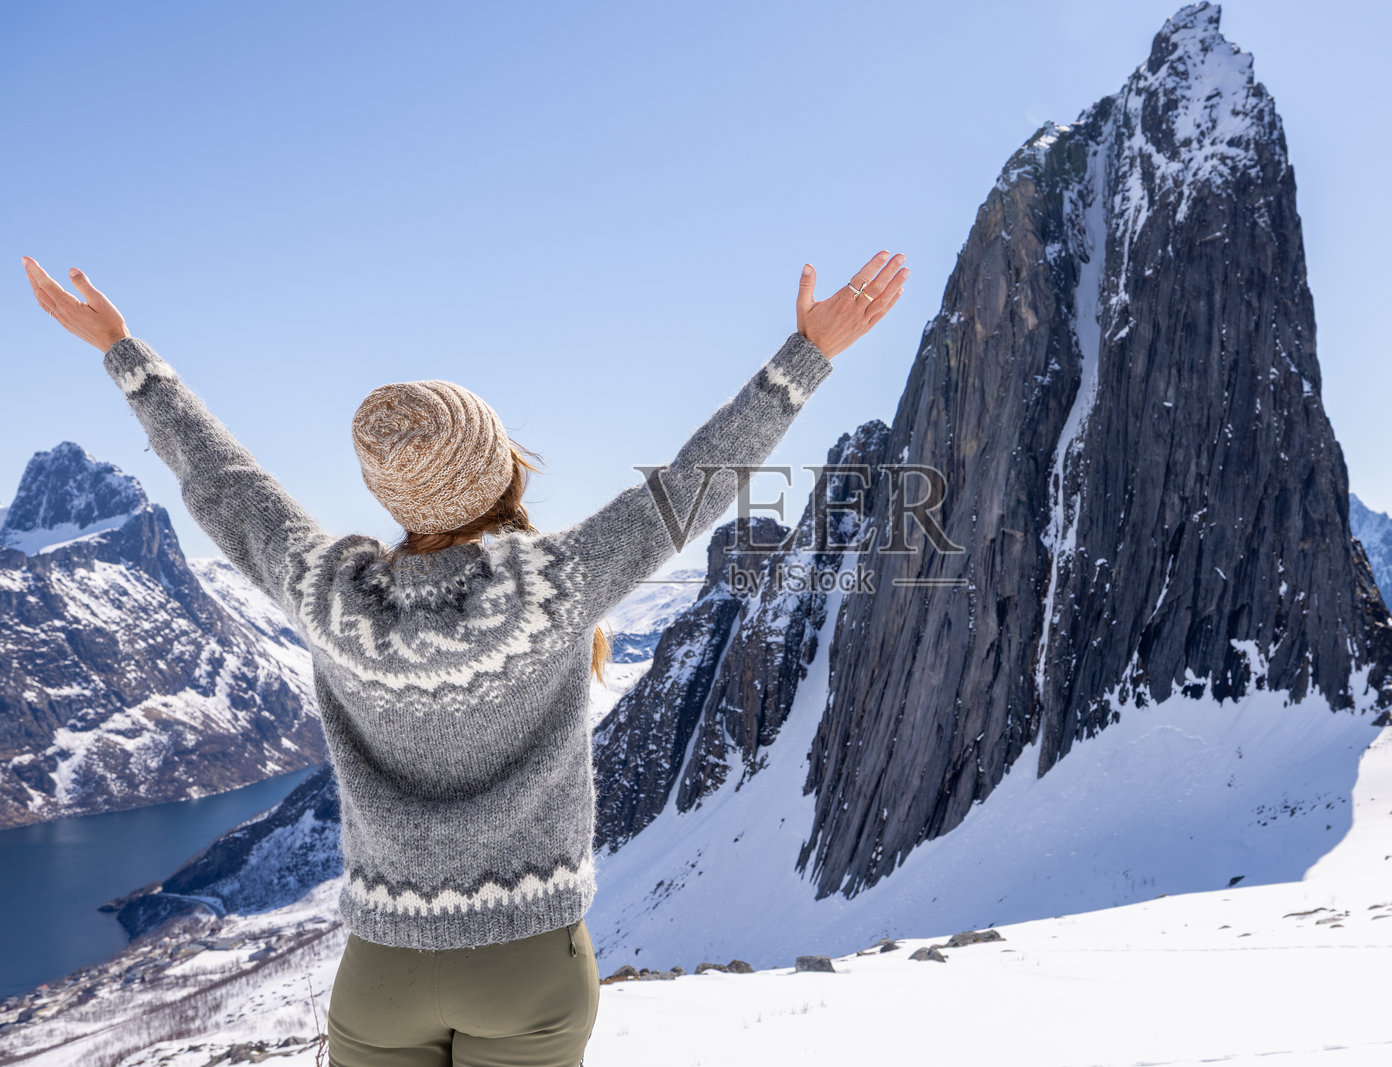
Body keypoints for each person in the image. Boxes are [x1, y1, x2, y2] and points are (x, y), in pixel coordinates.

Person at [21, 249, 907, 1066]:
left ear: (390, 492)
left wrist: (124, 352)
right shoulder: (557, 584)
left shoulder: (329, 595)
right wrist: (802, 358)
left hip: (384, 970)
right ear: (500, 469)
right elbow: (691, 488)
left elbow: (223, 485)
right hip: (531, 964)